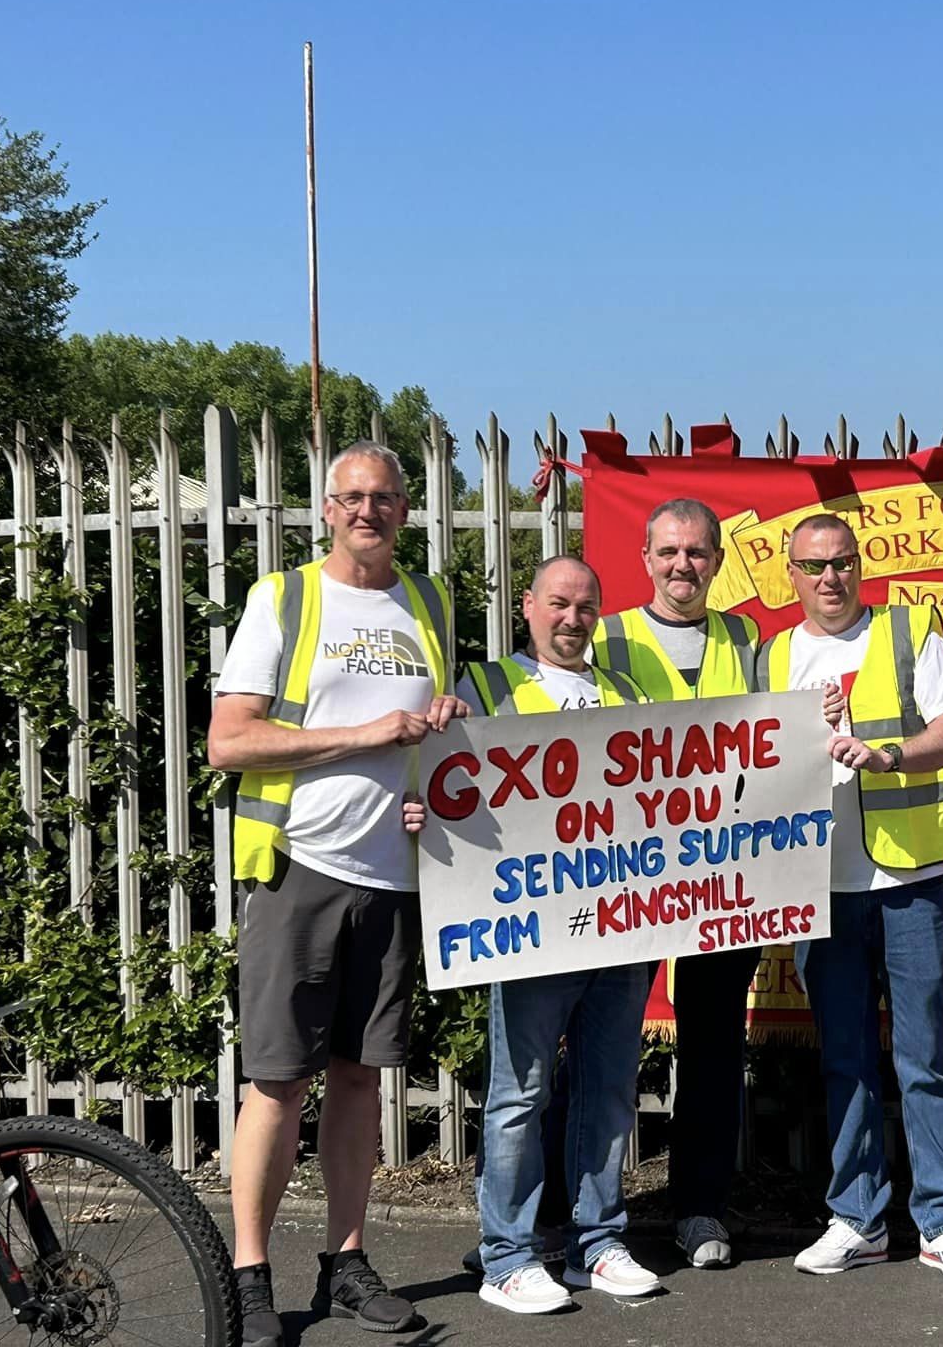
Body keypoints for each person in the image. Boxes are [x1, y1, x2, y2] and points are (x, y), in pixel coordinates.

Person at [208, 441, 464, 1347]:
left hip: (392, 876)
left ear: (407, 509)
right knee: (276, 1083)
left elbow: (436, 737)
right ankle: (248, 1274)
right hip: (301, 870)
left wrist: (436, 739)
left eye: (386, 498)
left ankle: (346, 1261)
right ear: (326, 509)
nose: (369, 512)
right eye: (353, 498)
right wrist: (364, 735)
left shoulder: (430, 600)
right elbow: (229, 742)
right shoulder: (282, 599)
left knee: (360, 1080)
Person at [404, 555, 662, 1313]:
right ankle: (507, 1255)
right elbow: (433, 779)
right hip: (527, 928)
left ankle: (597, 1242)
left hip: (620, 926)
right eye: (558, 604)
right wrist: (421, 797)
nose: (571, 620)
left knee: (609, 1089)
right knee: (520, 1093)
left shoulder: (625, 692)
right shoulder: (482, 689)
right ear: (528, 607)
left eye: (585, 607)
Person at [756, 513, 943, 1284]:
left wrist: (887, 755)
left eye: (842, 563)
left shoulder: (907, 629)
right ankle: (857, 1218)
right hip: (820, 885)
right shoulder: (773, 655)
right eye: (813, 565)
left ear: (860, 568)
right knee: (847, 1060)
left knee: (924, 1054)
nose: (829, 578)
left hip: (910, 879)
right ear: (789, 575)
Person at [590, 498, 762, 1270]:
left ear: (718, 561)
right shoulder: (607, 637)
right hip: (625, 877)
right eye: (668, 552)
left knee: (716, 1047)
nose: (681, 567)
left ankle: (699, 1210)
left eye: (696, 553)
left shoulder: (746, 639)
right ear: (644, 556)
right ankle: (568, 1218)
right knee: (598, 1046)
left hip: (724, 875)